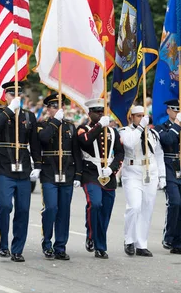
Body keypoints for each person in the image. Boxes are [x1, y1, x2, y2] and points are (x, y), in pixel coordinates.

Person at [0, 81, 42, 263]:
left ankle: (17, 249)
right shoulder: (0, 113)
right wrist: (10, 110)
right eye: (11, 94)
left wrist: (38, 165)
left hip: (23, 167)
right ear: (6, 96)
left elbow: (34, 142)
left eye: (17, 94)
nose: (15, 97)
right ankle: (3, 244)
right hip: (5, 166)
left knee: (23, 210)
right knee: (5, 206)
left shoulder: (29, 116)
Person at [36, 93, 82, 260]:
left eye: (60, 106)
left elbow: (76, 152)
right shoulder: (42, 125)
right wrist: (56, 122)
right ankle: (47, 242)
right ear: (48, 109)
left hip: (67, 172)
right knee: (51, 208)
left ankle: (60, 246)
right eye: (54, 106)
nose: (58, 109)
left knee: (64, 211)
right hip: (50, 172)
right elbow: (43, 138)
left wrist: (78, 174)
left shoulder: (70, 126)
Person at [77, 99, 124, 259]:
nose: (100, 114)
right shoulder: (83, 129)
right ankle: (91, 235)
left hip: (107, 175)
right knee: (95, 203)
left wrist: (111, 168)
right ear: (89, 113)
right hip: (90, 172)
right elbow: (85, 141)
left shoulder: (113, 132)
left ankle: (100, 246)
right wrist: (99, 126)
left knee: (105, 212)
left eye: (101, 112)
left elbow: (119, 153)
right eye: (96, 112)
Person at [119, 105, 165, 257]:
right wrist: (140, 128)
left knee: (147, 208)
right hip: (132, 172)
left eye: (143, 115)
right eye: (137, 116)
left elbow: (158, 155)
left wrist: (162, 176)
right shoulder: (126, 132)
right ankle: (129, 239)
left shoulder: (152, 134)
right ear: (131, 117)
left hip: (150, 172)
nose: (141, 118)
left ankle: (141, 243)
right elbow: (130, 143)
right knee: (134, 206)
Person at [155, 99, 181, 255]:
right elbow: (168, 140)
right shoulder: (160, 128)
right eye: (174, 110)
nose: (177, 112)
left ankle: (177, 243)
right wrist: (177, 124)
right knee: (175, 203)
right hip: (169, 168)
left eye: (180, 110)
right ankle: (169, 237)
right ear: (168, 111)